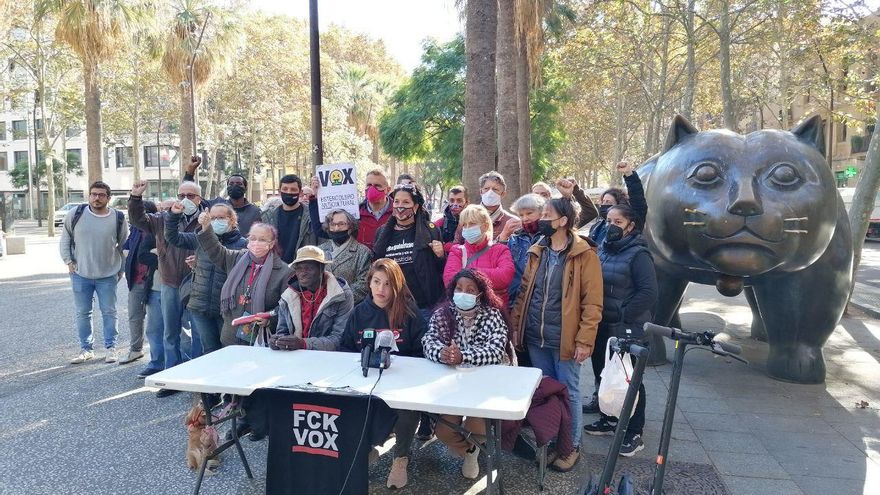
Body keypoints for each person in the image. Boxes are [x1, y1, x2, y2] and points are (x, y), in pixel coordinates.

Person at [510, 197, 603, 472]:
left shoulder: (585, 254)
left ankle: (571, 446)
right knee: (548, 393)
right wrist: (517, 326)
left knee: (570, 392)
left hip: (566, 340)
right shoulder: (537, 250)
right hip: (537, 337)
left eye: (547, 215)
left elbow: (592, 302)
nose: (541, 219)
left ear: (563, 221)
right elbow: (524, 292)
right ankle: (555, 442)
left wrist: (585, 340)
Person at [339, 258, 427, 489]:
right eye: (376, 282)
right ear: (369, 283)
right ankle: (366, 450)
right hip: (365, 378)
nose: (381, 289)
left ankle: (400, 458)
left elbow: (424, 352)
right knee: (349, 405)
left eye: (387, 284)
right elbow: (345, 348)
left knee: (407, 408)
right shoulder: (359, 313)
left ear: (396, 286)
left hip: (402, 381)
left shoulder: (409, 313)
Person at [583, 205, 657, 457]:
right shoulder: (604, 249)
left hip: (626, 328)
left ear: (630, 225)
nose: (611, 225)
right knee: (603, 375)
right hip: (602, 326)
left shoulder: (639, 255)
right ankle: (609, 418)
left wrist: (623, 314)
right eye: (608, 220)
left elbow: (648, 293)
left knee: (630, 380)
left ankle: (634, 431)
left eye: (618, 221)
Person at [423, 269, 511, 479]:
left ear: (480, 294)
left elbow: (496, 349)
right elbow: (428, 341)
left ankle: (474, 450)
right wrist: (442, 353)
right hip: (452, 385)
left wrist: (463, 356)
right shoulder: (443, 314)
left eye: (470, 290)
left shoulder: (493, 315)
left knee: (476, 425)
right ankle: (469, 450)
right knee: (444, 431)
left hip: (484, 385)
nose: (464, 293)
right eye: (459, 288)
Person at [129, 179, 204, 393]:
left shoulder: (205, 220)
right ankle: (172, 378)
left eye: (191, 196)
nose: (185, 200)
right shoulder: (163, 219)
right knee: (170, 333)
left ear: (199, 199)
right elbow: (137, 219)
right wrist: (136, 197)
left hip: (197, 284)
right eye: (182, 195)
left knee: (199, 334)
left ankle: (198, 380)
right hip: (169, 282)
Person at [165, 202, 247, 354]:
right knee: (209, 350)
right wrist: (174, 215)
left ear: (232, 220)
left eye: (221, 217)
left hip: (227, 309)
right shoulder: (200, 238)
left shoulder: (243, 245)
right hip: (200, 305)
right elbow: (173, 237)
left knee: (228, 350)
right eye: (213, 218)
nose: (216, 221)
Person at [60, 181, 128, 364]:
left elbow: (124, 246)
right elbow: (65, 239)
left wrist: (121, 269)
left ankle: (110, 348)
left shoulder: (118, 218)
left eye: (101, 195)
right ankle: (86, 349)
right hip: (80, 274)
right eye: (93, 194)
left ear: (108, 198)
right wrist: (68, 261)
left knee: (109, 312)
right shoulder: (76, 214)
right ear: (89, 195)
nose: (97, 198)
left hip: (108, 275)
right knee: (83, 313)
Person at [196, 218, 292, 347]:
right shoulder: (236, 258)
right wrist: (206, 228)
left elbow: (286, 306)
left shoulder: (284, 271)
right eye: (253, 238)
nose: (256, 243)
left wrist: (270, 319)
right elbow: (215, 250)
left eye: (262, 239)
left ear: (272, 243)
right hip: (230, 336)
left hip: (260, 339)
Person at [372, 183, 445, 322]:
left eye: (406, 202)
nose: (400, 206)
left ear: (416, 206)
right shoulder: (382, 232)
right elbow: (376, 264)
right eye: (397, 202)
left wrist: (441, 255)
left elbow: (440, 268)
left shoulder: (431, 231)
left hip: (423, 306)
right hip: (392, 305)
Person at [269, 246, 354, 351]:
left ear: (321, 269)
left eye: (308, 268)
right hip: (295, 357)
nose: (302, 273)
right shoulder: (288, 296)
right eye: (299, 268)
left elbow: (339, 339)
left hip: (328, 358)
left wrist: (303, 344)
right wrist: (278, 341)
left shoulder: (341, 294)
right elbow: (283, 331)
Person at [442, 205, 515, 307]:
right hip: (465, 312)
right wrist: (487, 276)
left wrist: (468, 272)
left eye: (472, 224)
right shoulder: (457, 251)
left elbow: (505, 276)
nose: (467, 228)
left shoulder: (500, 250)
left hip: (494, 312)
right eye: (464, 225)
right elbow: (449, 280)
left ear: (485, 226)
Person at [309, 169, 393, 250]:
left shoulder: (396, 213)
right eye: (369, 185)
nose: (371, 189)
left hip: (389, 263)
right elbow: (322, 231)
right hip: (361, 262)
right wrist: (315, 198)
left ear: (388, 190)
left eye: (377, 186)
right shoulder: (355, 214)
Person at [119, 201, 158, 365]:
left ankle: (158, 358)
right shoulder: (135, 230)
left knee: (156, 323)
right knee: (135, 316)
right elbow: (126, 246)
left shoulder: (158, 229)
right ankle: (136, 350)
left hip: (154, 281)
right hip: (135, 279)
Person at [183, 156, 262, 235]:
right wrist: (190, 172)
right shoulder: (216, 204)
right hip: (216, 246)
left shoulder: (255, 211)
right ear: (227, 187)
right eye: (231, 184)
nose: (234, 186)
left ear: (245, 188)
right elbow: (190, 196)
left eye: (239, 184)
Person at [499, 193, 546, 306]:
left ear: (542, 213)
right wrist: (503, 237)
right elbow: (499, 260)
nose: (525, 218)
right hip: (515, 299)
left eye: (529, 213)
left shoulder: (550, 237)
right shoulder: (514, 238)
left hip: (540, 300)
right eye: (521, 215)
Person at [317, 209, 372, 304]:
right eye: (333, 224)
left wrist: (339, 298)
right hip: (321, 307)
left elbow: (363, 284)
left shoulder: (363, 252)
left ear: (350, 227)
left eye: (341, 224)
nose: (336, 228)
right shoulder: (319, 250)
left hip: (349, 308)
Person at [261, 174, 315, 264]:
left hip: (302, 270)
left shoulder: (311, 217)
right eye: (285, 189)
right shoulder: (268, 217)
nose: (289, 192)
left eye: (293, 189)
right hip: (275, 270)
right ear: (279, 192)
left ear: (300, 192)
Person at [589, 161, 647, 245]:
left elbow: (638, 198)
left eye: (608, 202)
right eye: (603, 202)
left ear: (618, 205)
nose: (604, 205)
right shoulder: (597, 227)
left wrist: (629, 174)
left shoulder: (631, 223)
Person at [135, 230, 166, 378]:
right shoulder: (151, 234)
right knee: (154, 329)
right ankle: (157, 364)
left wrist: (159, 254)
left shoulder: (187, 230)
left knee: (180, 331)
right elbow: (142, 256)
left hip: (179, 289)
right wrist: (161, 258)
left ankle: (181, 364)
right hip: (155, 288)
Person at [456, 171, 516, 242]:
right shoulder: (467, 217)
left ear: (503, 194)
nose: (490, 193)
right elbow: (457, 243)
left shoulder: (511, 222)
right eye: (486, 189)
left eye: (495, 189)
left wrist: (503, 237)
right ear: (481, 191)